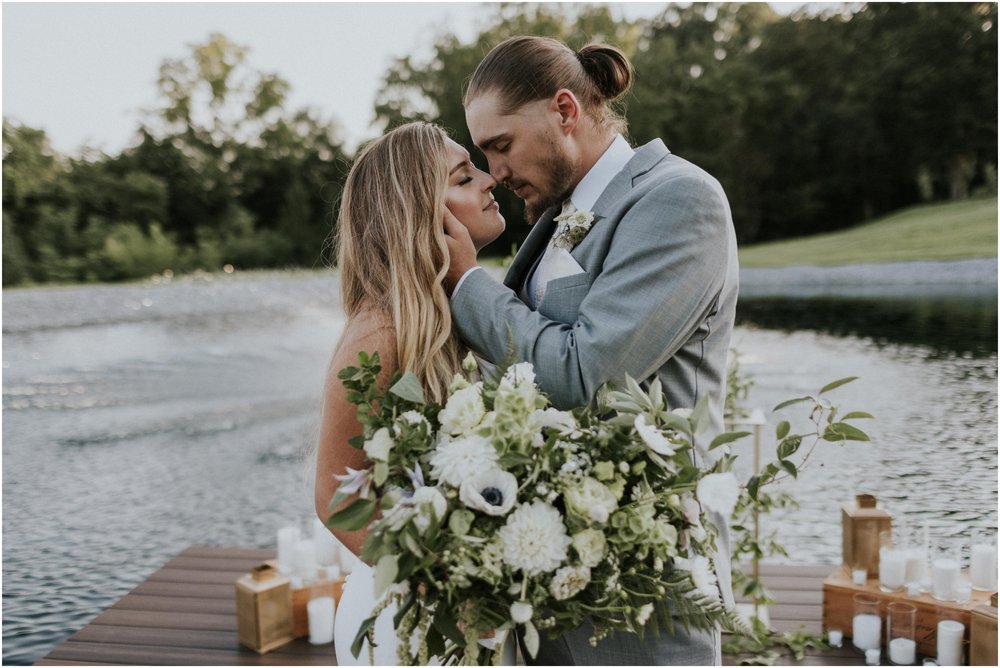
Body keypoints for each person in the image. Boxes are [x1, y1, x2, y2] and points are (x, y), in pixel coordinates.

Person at [443, 36, 739, 665]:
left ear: (565, 111)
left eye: (501, 145)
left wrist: (466, 283)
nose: (495, 170)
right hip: (548, 573)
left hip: (642, 583)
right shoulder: (555, 216)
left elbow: (584, 373)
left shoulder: (679, 199)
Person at [314, 121, 505, 665]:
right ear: (422, 213)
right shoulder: (383, 331)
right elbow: (336, 495)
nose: (490, 180)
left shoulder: (458, 311)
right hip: (409, 622)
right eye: (465, 177)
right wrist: (445, 589)